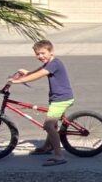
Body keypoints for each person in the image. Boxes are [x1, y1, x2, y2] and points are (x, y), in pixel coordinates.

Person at [9, 39, 74, 167]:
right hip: (57, 98)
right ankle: (46, 147)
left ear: (51, 51)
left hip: (61, 99)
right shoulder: (49, 63)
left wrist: (17, 81)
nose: (40, 56)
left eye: (43, 53)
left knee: (49, 126)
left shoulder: (55, 63)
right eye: (37, 54)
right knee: (53, 125)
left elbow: (38, 75)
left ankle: (59, 156)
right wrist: (26, 73)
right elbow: (36, 72)